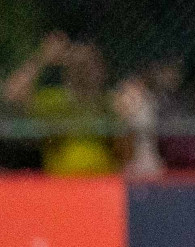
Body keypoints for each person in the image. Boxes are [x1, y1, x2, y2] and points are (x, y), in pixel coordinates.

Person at [2, 32, 118, 175]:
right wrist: (42, 58)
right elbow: (12, 94)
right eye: (79, 65)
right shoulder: (55, 101)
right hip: (62, 186)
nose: (85, 71)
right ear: (67, 71)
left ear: (102, 69)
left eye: (90, 64)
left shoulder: (111, 103)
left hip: (105, 185)